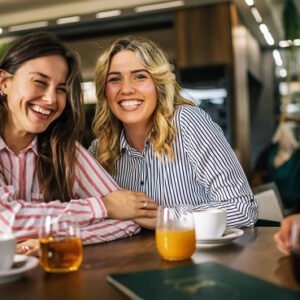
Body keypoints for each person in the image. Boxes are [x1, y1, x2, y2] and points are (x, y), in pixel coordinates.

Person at [0, 32, 157, 255]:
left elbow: (131, 217)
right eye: (39, 82)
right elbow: (5, 220)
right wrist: (102, 207)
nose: (51, 99)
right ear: (4, 82)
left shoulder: (64, 149)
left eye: (61, 89)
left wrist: (56, 240)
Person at [89, 37, 258, 229]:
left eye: (140, 76)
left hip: (198, 256)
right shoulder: (99, 150)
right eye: (115, 79)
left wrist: (165, 217)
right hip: (134, 257)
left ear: (158, 84)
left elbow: (243, 209)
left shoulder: (187, 122)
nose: (126, 89)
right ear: (104, 91)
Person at [252, 120, 300, 213]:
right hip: (272, 202)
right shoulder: (270, 151)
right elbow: (258, 171)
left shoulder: (297, 156)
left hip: (295, 205)